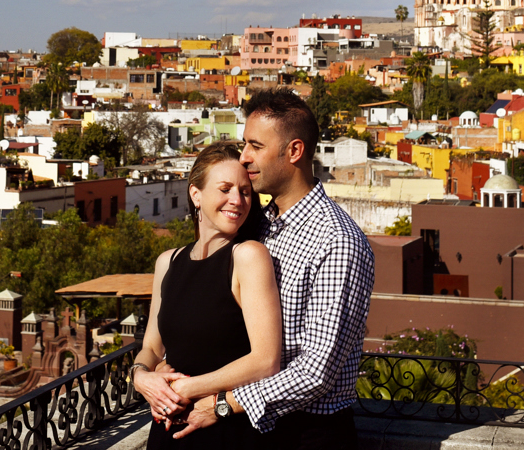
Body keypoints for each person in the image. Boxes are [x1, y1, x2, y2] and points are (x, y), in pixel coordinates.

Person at [173, 88, 375, 450]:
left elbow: (316, 371)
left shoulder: (337, 241)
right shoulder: (258, 225)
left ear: (294, 151)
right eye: (244, 145)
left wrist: (223, 405)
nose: (245, 158)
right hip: (249, 430)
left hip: (309, 433)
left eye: (256, 146)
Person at [130, 141, 282, 449]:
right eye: (225, 189)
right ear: (195, 194)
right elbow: (151, 347)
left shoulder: (248, 256)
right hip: (166, 431)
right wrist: (141, 377)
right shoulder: (167, 262)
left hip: (225, 430)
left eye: (245, 191)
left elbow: (265, 361)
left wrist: (186, 388)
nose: (237, 200)